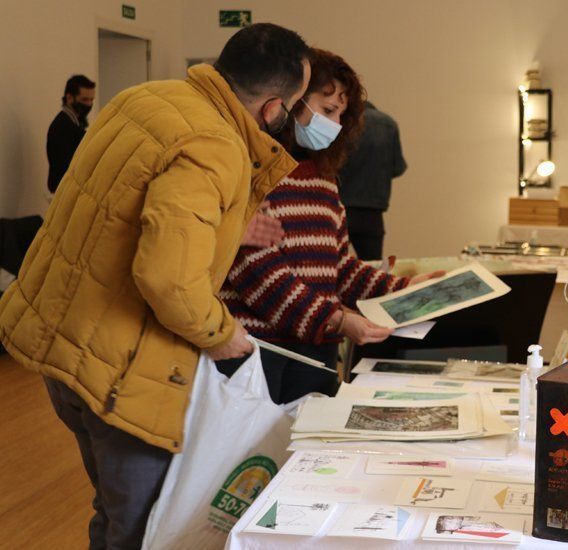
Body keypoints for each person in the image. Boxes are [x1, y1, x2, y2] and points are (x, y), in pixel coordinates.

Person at [0, 23, 311, 548]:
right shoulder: (216, 143)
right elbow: (169, 279)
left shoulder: (146, 98)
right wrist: (222, 333)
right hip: (122, 367)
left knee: (113, 509)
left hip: (65, 343)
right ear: (272, 109)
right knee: (145, 526)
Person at [219, 49, 441, 403]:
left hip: (315, 351)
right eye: (327, 111)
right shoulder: (251, 171)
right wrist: (337, 320)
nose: (334, 124)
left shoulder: (323, 178)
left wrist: (404, 289)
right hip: (258, 355)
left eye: (340, 114)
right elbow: (259, 275)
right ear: (291, 103)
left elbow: (338, 267)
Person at [337, 101, 407, 260]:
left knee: (335, 267)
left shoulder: (341, 121)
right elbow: (398, 168)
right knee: (373, 268)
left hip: (339, 208)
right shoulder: (388, 124)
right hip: (372, 214)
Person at [46, 74, 96, 194]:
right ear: (69, 98)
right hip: (65, 191)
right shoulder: (63, 127)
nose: (89, 104)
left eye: (91, 100)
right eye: (84, 100)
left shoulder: (75, 123)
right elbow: (66, 168)